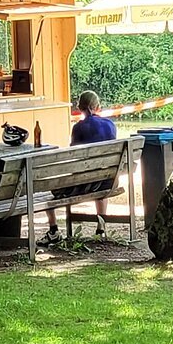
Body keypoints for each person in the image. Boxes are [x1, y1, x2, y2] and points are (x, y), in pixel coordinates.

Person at [68, 91, 119, 237]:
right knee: (100, 175)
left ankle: (54, 229)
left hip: (87, 183)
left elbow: (74, 155)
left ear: (80, 107)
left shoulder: (78, 128)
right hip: (110, 180)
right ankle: (101, 227)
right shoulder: (110, 124)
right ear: (97, 106)